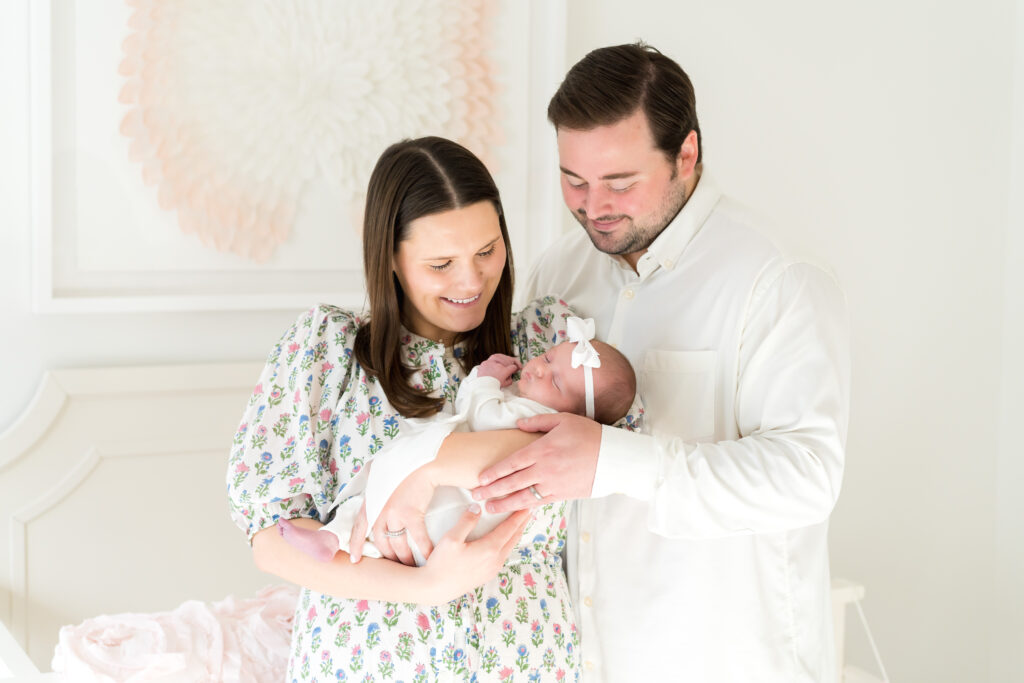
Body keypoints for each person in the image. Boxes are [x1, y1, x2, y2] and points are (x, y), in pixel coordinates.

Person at [369, 44, 851, 682]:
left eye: (620, 182)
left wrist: (613, 460)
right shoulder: (557, 271)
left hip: (724, 656)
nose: (593, 205)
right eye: (574, 180)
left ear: (686, 154)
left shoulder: (776, 278)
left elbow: (807, 477)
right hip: (579, 657)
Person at [227, 136, 596, 681]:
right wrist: (427, 588)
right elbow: (273, 542)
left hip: (524, 660)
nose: (471, 282)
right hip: (366, 660)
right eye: (441, 263)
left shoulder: (547, 343)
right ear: (391, 259)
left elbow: (585, 452)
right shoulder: (326, 349)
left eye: (487, 251)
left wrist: (431, 468)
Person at [278, 328, 637, 566]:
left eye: (555, 381)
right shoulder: (530, 400)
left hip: (453, 507)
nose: (540, 370)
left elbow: (483, 418)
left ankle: (337, 538)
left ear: (575, 414)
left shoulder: (534, 418)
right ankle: (331, 538)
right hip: (446, 506)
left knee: (383, 495)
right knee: (376, 493)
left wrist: (485, 381)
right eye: (546, 358)